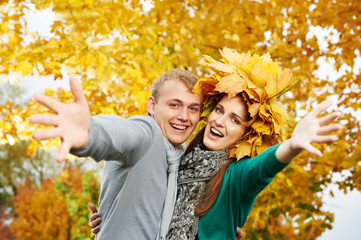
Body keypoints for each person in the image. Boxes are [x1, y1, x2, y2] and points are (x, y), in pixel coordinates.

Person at [89, 49, 341, 239]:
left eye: (235, 120)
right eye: (219, 110)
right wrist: (112, 217)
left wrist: (293, 145)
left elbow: (264, 168)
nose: (220, 121)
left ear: (245, 134)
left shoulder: (236, 176)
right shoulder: (177, 161)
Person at [30, 69, 203, 240]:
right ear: (152, 105)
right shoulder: (148, 135)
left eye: (193, 108)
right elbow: (123, 133)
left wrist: (111, 217)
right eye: (174, 105)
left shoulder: (185, 162)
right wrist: (90, 131)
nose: (184, 116)